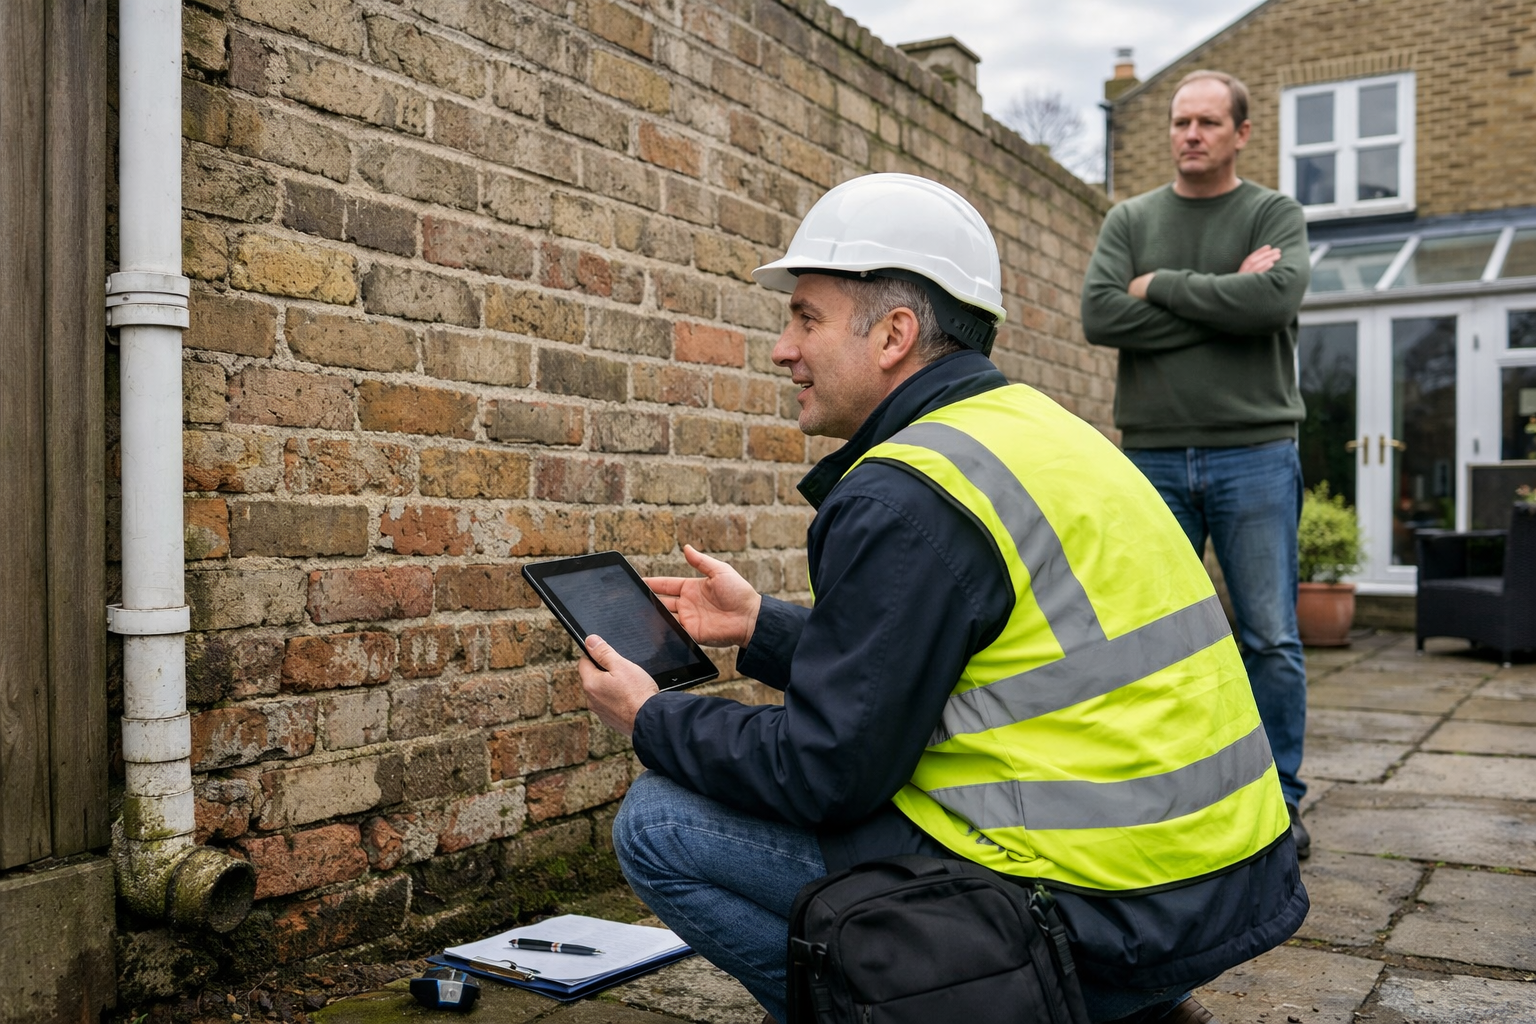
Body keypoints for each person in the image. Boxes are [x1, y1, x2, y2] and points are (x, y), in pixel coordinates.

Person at [577, 173, 1307, 1024]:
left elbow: (827, 773)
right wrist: (760, 627)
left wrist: (650, 719)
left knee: (660, 822)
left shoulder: (908, 493)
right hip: (1212, 889)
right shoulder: (1045, 433)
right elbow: (950, 657)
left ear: (894, 334)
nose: (782, 348)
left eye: (805, 317)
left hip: (1099, 916)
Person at [1080, 70, 1313, 859]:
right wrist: (1223, 306)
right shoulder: (1132, 217)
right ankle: (1167, 795)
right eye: (1181, 121)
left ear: (1241, 132)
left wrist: (1164, 289)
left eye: (1209, 122)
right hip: (1149, 455)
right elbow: (1100, 314)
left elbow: (1274, 305)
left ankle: (1278, 799)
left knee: (1269, 635)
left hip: (1256, 452)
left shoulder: (1274, 213)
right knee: (1150, 635)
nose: (1191, 134)